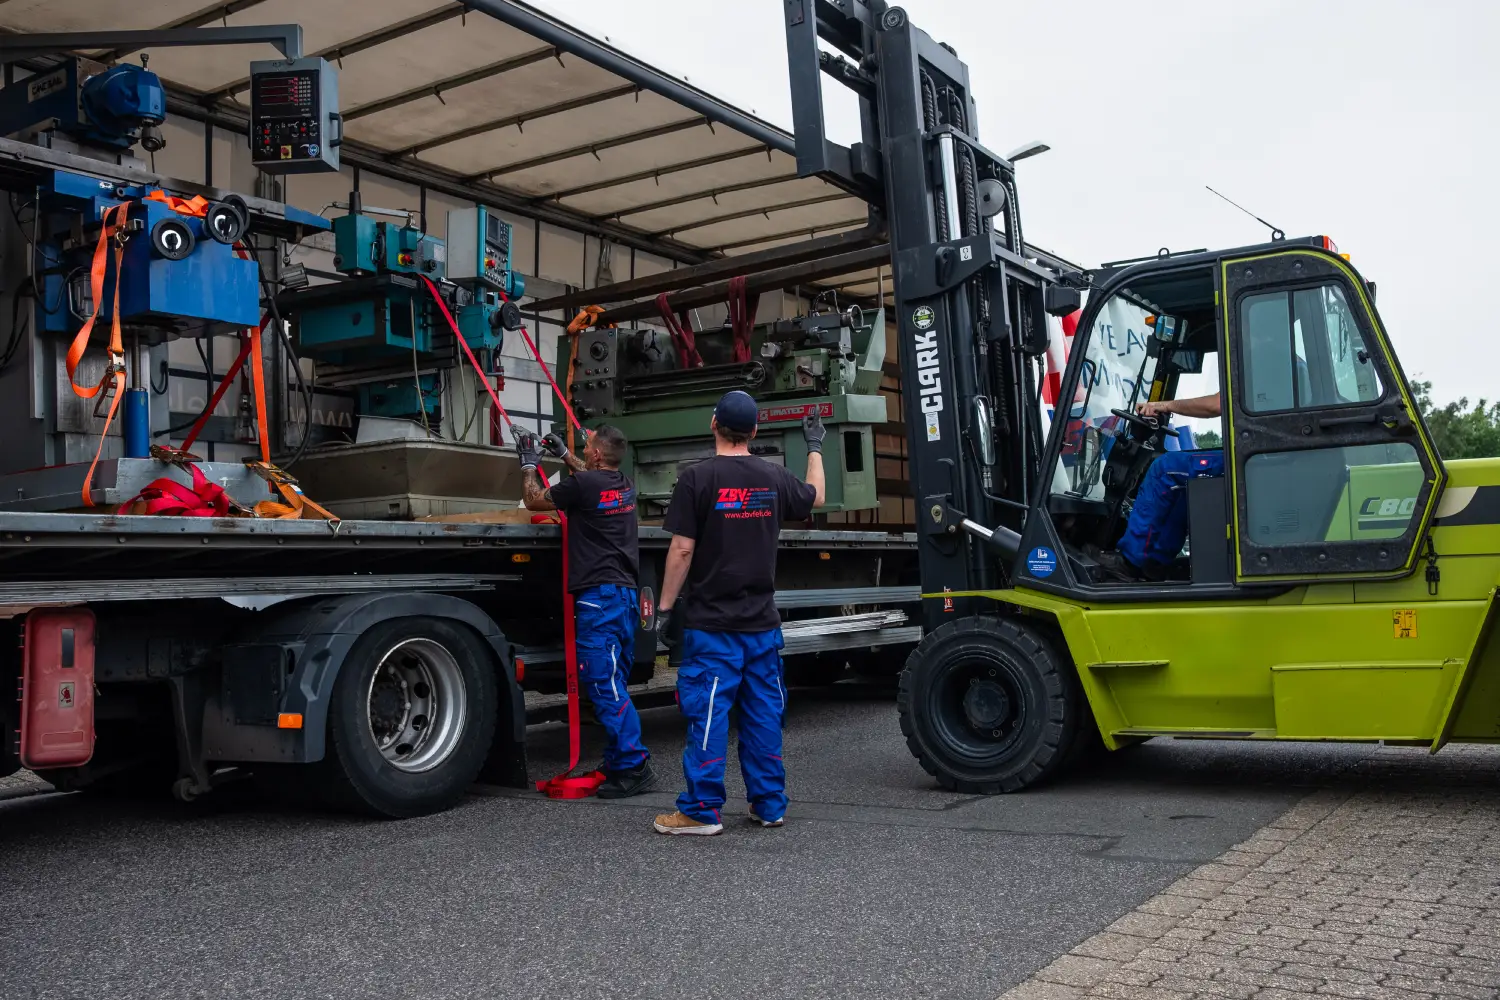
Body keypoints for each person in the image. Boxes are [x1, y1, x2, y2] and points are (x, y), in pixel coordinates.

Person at [650, 390, 826, 836]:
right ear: (755, 431)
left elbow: (682, 549)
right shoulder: (774, 477)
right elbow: (815, 498)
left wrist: (666, 608)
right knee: (763, 714)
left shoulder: (697, 479)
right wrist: (815, 446)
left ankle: (701, 810)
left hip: (713, 626)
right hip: (762, 626)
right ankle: (768, 805)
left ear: (713, 424)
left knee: (708, 714)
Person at [519, 425, 654, 798]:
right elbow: (589, 476)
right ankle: (619, 760)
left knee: (602, 684)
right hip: (623, 596)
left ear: (596, 455)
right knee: (615, 682)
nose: (585, 449)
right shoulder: (623, 484)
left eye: (587, 446)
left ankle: (633, 766)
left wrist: (528, 463)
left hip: (599, 599)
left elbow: (533, 500)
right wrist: (563, 455)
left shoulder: (583, 486)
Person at [1095, 392, 1224, 581]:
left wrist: (1164, 406)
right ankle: (1155, 562)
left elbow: (1217, 403)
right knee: (1180, 484)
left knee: (1166, 468)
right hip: (1259, 458)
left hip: (1253, 460)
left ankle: (1131, 561)